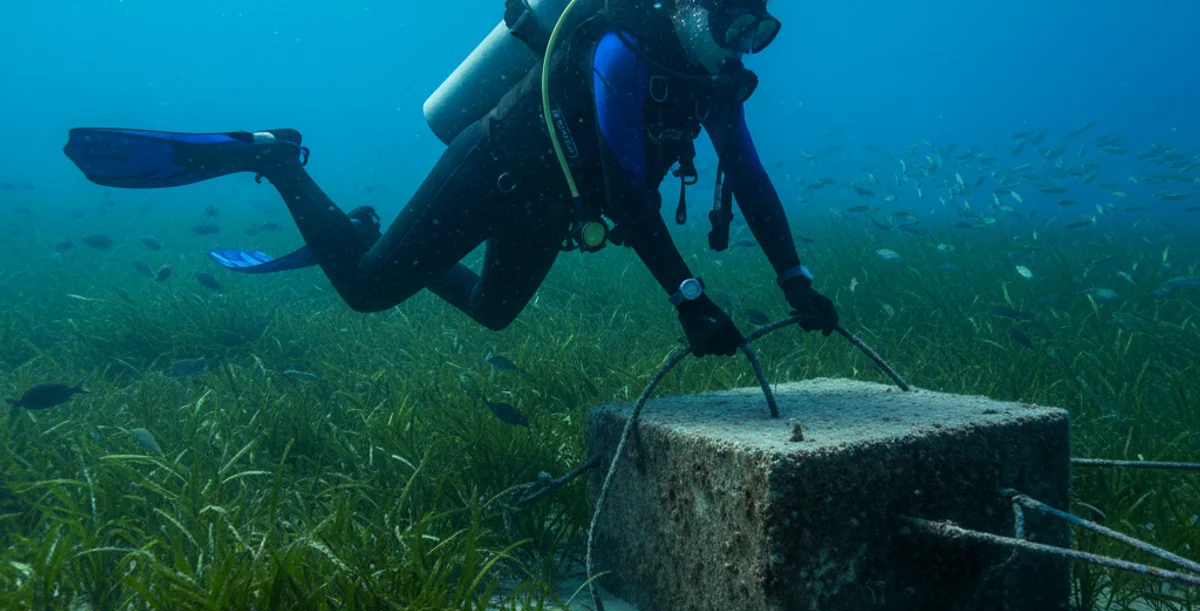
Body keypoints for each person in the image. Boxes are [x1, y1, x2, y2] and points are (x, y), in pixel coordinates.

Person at [63, 0, 838, 358]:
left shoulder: (712, 81)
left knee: (495, 313)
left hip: (550, 202)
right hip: (495, 165)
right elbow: (632, 194)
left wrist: (795, 278)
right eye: (733, 23)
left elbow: (749, 175)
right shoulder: (622, 47)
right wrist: (689, 297)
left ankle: (372, 231)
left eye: (758, 31)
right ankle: (276, 157)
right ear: (690, 9)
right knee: (366, 288)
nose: (741, 44)